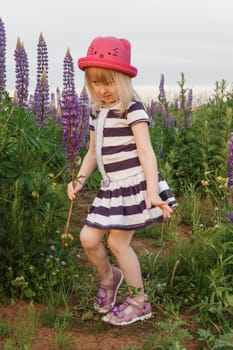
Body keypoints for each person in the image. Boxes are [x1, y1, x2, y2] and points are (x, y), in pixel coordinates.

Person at [67, 36, 177, 326]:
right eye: (94, 83)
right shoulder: (96, 112)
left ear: (125, 79)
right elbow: (92, 152)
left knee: (118, 243)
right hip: (111, 189)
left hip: (136, 186)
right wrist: (79, 180)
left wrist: (152, 193)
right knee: (88, 238)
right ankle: (108, 278)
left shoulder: (133, 109)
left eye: (108, 82)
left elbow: (146, 152)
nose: (101, 89)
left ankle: (140, 301)